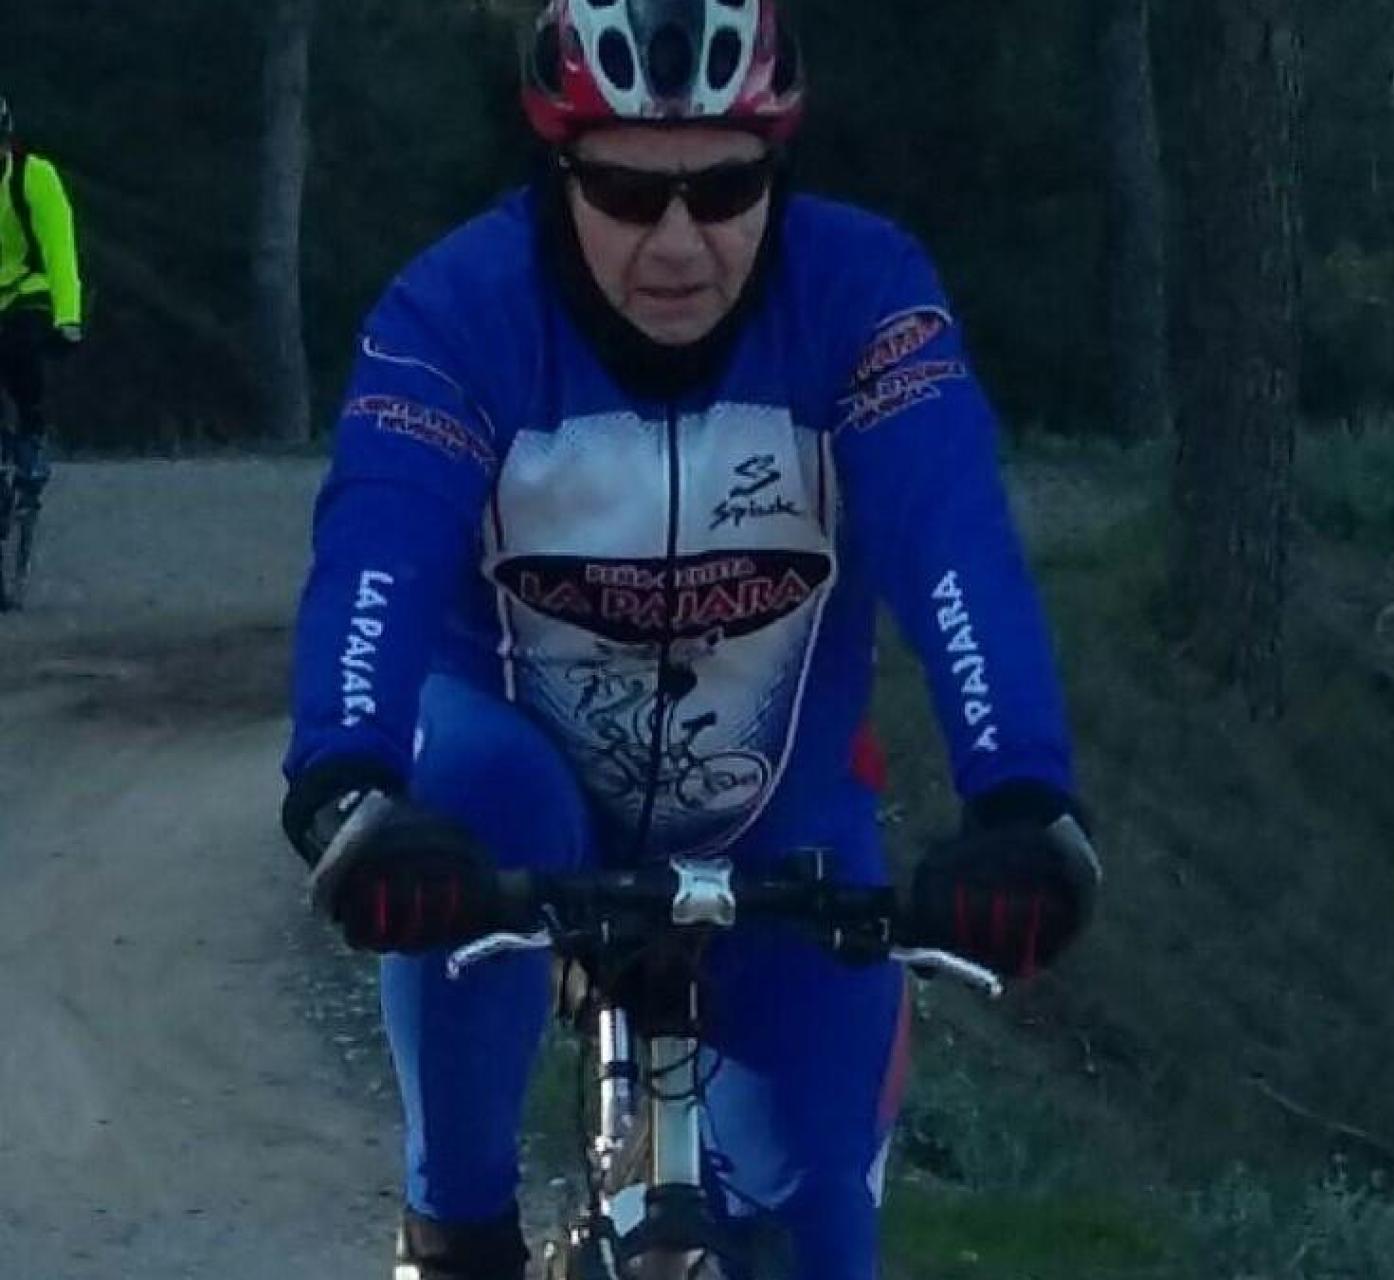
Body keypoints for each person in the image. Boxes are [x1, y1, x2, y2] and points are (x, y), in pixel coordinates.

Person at [280, 2, 1102, 1276]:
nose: (677, 241)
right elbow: (374, 553)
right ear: (556, 170)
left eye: (725, 189)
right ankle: (457, 1222)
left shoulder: (863, 295)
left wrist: (1020, 791)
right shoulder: (455, 312)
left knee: (818, 1224)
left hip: (774, 817)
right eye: (622, 188)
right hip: (513, 802)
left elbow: (954, 539)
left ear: (780, 167)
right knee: (480, 782)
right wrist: (346, 777)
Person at [0, 94, 82, 511]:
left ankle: (31, 437)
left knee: (19, 351)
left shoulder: (34, 176)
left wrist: (68, 317)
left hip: (25, 289)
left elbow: (59, 249)